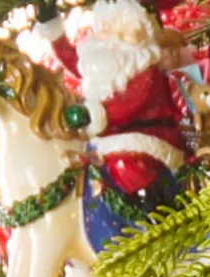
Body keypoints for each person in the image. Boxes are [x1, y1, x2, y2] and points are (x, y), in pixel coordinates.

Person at [36, 0, 185, 201]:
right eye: (104, 31)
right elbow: (74, 60)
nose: (108, 41)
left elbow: (128, 105)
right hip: (109, 138)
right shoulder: (103, 66)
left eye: (119, 35)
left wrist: (91, 113)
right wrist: (54, 31)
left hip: (151, 134)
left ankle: (155, 206)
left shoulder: (146, 72)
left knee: (127, 166)